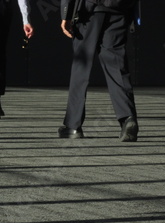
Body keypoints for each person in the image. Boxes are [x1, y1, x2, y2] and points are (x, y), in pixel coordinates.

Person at [59, 0, 139, 141]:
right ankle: (128, 117)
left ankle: (73, 126)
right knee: (117, 65)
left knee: (81, 67)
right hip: (119, 9)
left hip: (89, 11)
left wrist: (66, 14)